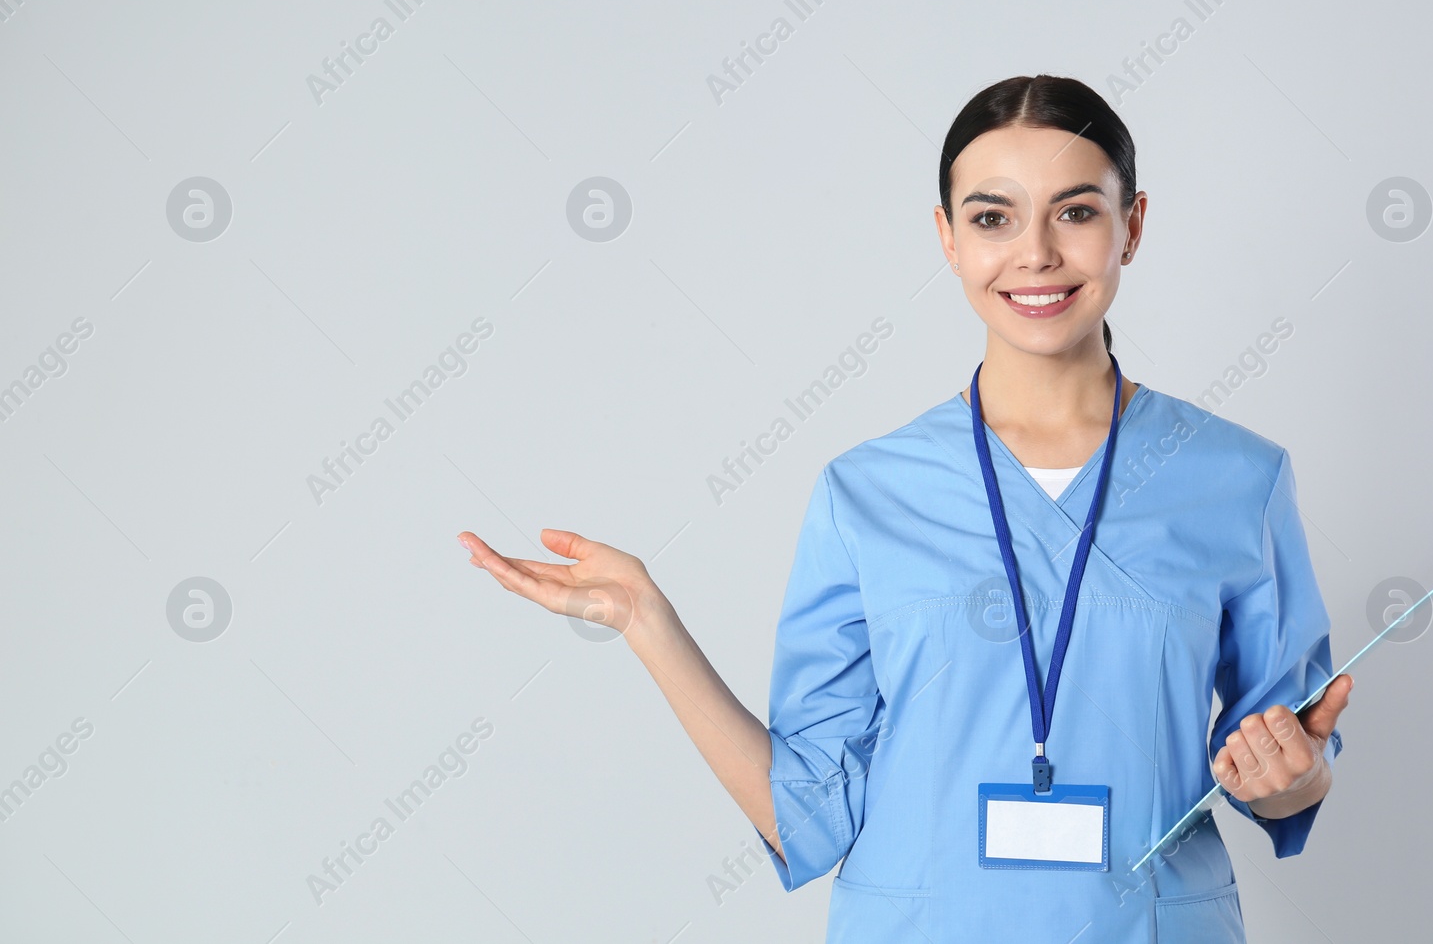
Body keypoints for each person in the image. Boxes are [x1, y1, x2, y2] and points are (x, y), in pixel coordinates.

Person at [458, 74, 1351, 942]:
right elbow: (808, 809)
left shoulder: (1236, 480)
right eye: (993, 217)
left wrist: (1289, 776)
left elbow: (1283, 768)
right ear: (948, 237)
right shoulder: (867, 494)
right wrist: (647, 620)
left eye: (1076, 211)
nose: (1035, 251)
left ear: (1133, 225)